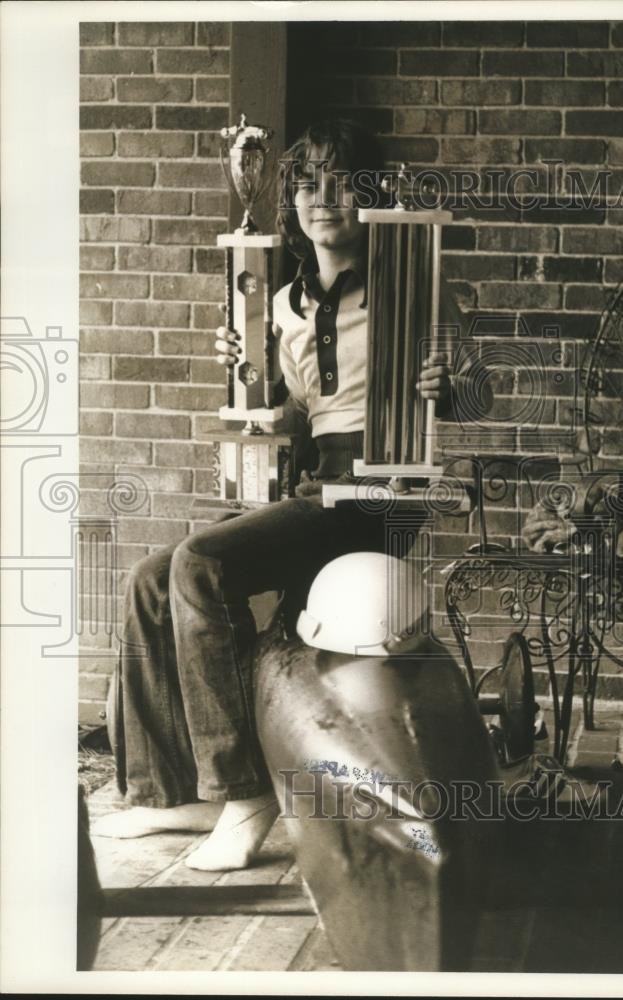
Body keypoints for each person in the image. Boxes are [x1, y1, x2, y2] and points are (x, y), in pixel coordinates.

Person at [92, 120, 462, 871]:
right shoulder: (285, 302)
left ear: (369, 195)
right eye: (305, 180)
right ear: (289, 200)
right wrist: (245, 371)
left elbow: (468, 390)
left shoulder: (411, 280)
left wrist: (449, 385)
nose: (319, 195)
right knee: (146, 583)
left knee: (198, 563)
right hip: (312, 486)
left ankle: (243, 791)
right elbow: (290, 421)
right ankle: (170, 795)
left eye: (338, 178)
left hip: (378, 495)